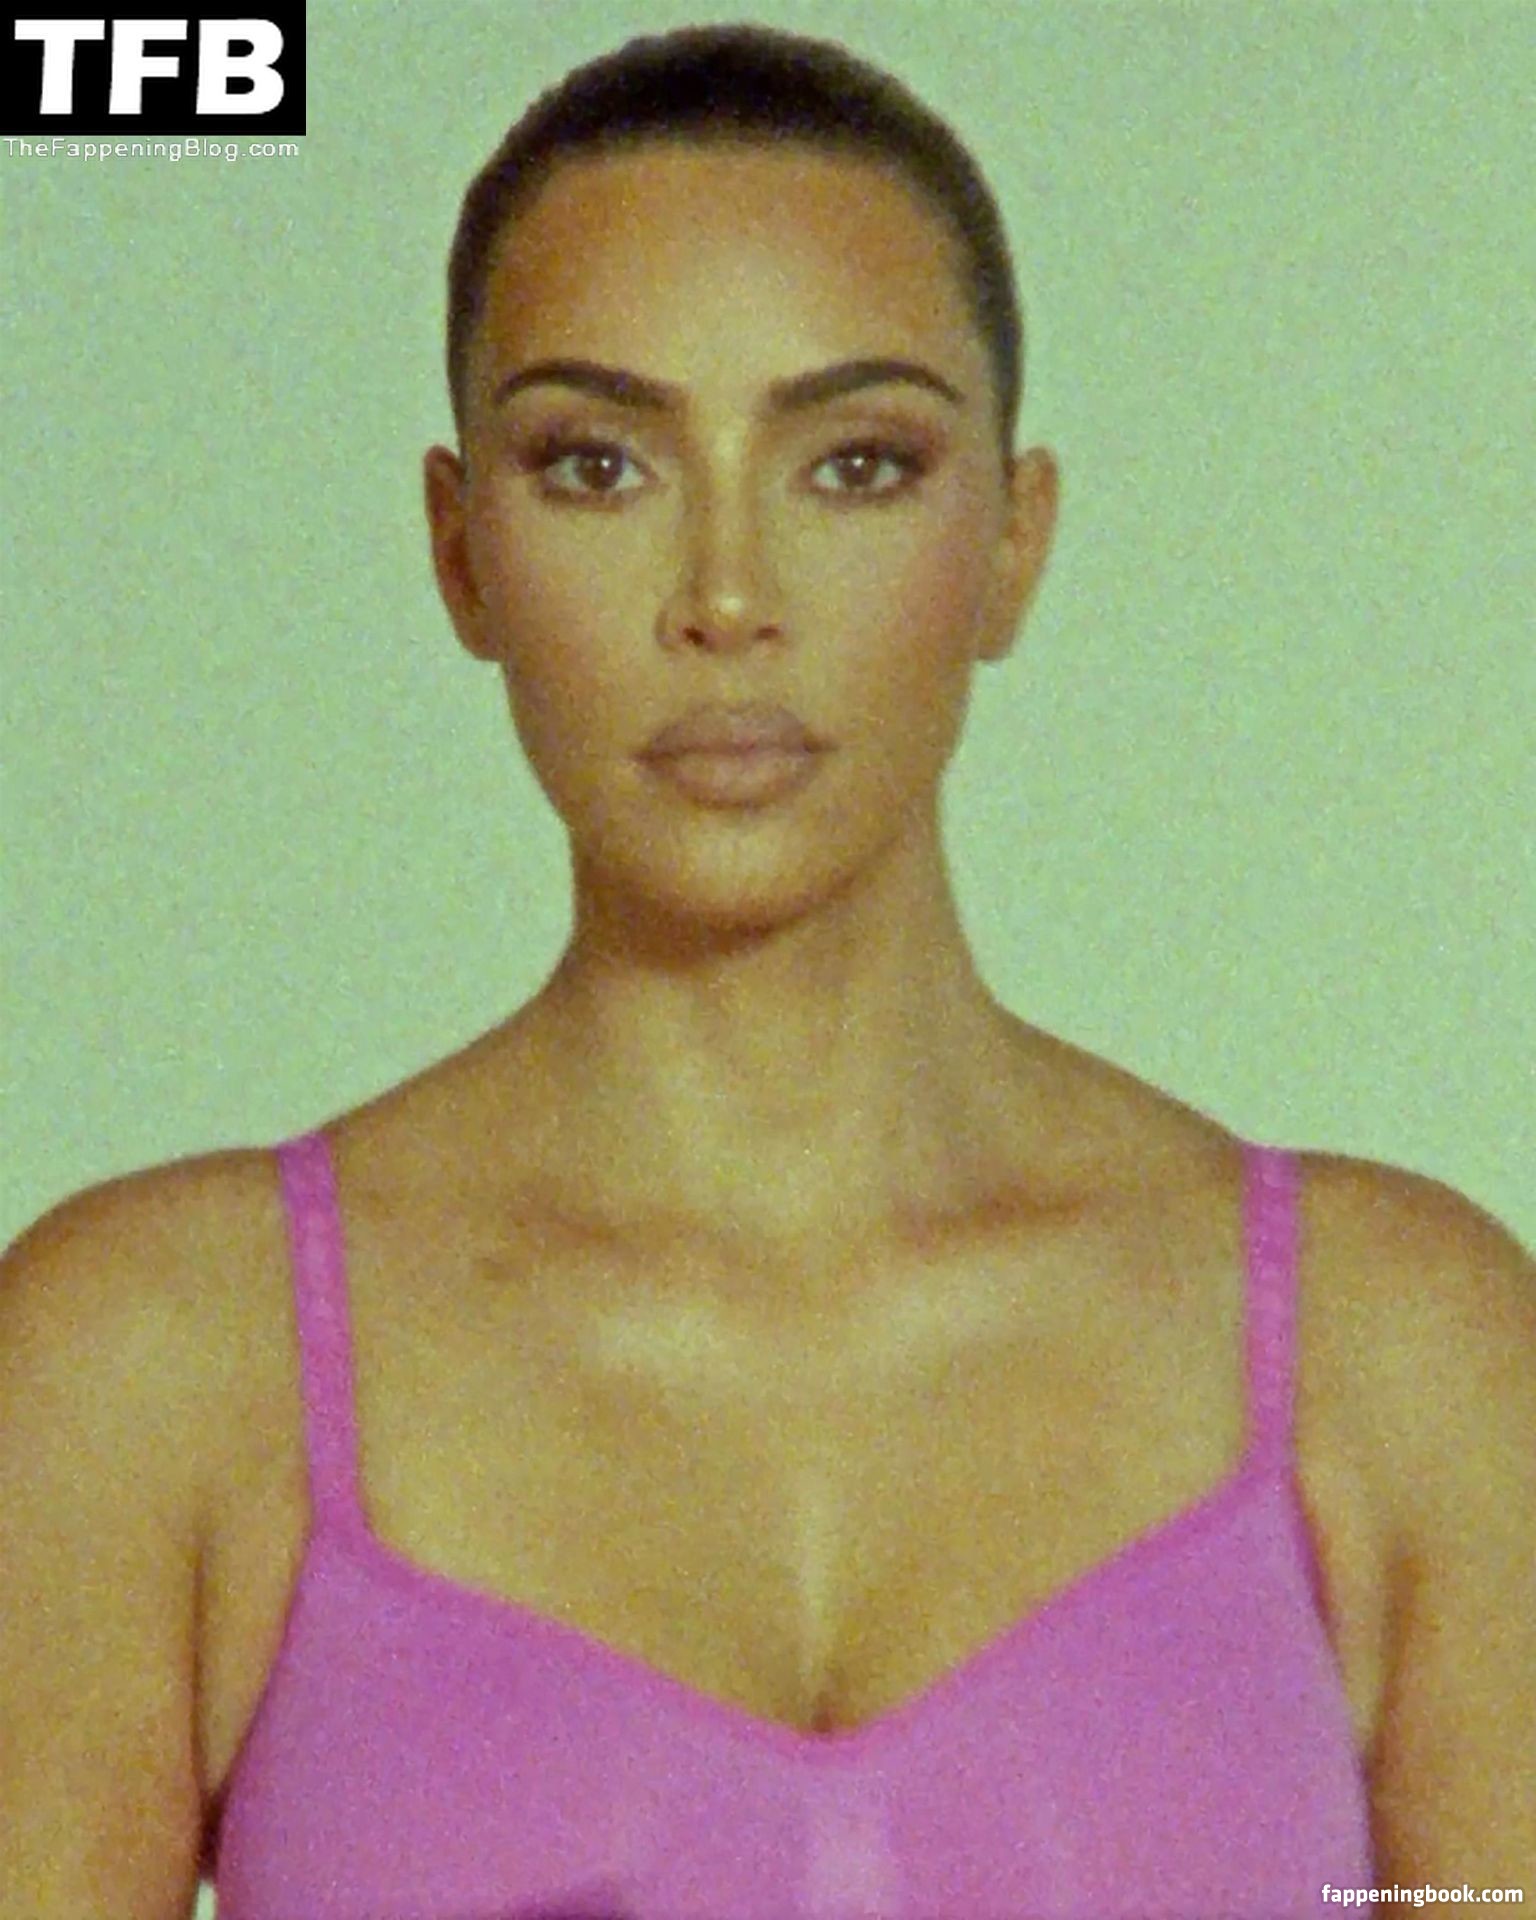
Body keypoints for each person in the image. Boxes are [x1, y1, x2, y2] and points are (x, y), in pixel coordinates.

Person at [3, 21, 1533, 1919]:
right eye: (596, 465)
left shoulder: (1406, 1363)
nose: (725, 597)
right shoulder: (150, 1367)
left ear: (1013, 541)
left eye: (857, 465)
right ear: (461, 552)